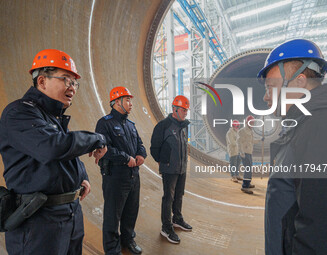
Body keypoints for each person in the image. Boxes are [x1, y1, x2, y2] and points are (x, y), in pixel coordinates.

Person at [0, 49, 107, 255]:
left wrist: (81, 176)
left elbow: (64, 153)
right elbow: (53, 147)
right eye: (66, 80)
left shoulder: (51, 117)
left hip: (69, 214)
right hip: (38, 220)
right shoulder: (19, 112)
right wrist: (97, 138)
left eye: (75, 83)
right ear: (42, 81)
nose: (72, 88)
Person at [258, 38, 327, 254]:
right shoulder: (304, 127)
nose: (266, 97)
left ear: (299, 81)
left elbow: (321, 235)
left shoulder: (324, 128)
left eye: (270, 87)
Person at [95, 86, 147, 255]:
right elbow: (104, 148)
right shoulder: (105, 123)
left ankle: (128, 240)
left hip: (133, 176)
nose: (131, 103)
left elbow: (139, 143)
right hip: (115, 177)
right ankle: (112, 249)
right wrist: (126, 158)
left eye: (130, 100)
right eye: (128, 100)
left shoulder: (130, 124)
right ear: (117, 102)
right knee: (112, 215)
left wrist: (141, 154)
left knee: (131, 211)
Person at [150, 95, 192, 244]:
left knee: (179, 194)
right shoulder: (163, 126)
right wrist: (164, 162)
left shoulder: (183, 127)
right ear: (175, 109)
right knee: (169, 197)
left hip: (182, 168)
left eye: (187, 110)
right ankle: (166, 228)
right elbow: (154, 148)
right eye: (183, 110)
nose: (186, 113)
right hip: (169, 169)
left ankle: (177, 219)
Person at [237, 115, 259, 194]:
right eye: (251, 122)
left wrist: (259, 140)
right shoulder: (242, 131)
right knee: (248, 170)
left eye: (253, 122)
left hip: (249, 152)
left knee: (249, 169)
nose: (253, 124)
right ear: (247, 122)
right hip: (244, 153)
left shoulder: (250, 131)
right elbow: (239, 142)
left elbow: (252, 141)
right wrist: (242, 152)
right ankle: (245, 187)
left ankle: (248, 183)